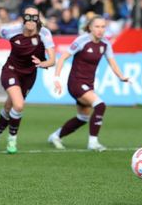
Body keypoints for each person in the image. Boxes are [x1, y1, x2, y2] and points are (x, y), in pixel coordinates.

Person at [48, 15, 129, 152]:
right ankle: (93, 143)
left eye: (103, 27)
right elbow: (62, 58)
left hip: (88, 84)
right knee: (100, 105)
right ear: (90, 28)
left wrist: (121, 76)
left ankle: (55, 136)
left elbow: (112, 63)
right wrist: (56, 78)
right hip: (76, 83)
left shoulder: (106, 43)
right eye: (97, 26)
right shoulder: (82, 40)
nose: (100, 30)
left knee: (83, 117)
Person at [0, 5, 56, 154]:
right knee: (19, 104)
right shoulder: (11, 30)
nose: (30, 20)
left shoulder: (44, 34)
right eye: (27, 17)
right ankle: (12, 139)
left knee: (9, 106)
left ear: (38, 19)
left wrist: (43, 63)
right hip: (11, 71)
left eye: (34, 17)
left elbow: (53, 60)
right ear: (23, 18)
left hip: (29, 76)